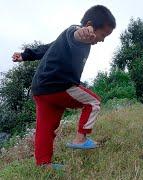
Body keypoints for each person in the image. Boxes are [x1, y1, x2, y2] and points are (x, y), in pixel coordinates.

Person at [11, 5, 116, 169]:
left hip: (40, 88)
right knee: (93, 102)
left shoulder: (64, 41)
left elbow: (45, 48)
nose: (102, 39)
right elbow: (75, 34)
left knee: (45, 127)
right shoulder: (75, 31)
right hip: (57, 85)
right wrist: (82, 32)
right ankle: (80, 139)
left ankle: (43, 164)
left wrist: (25, 55)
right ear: (89, 24)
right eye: (103, 34)